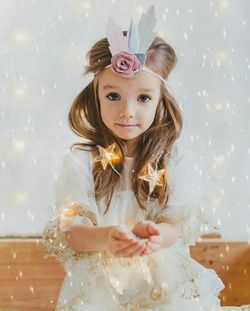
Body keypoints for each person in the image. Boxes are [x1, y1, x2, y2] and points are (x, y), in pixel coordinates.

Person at [42, 5, 225, 311]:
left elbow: (175, 226)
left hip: (162, 279)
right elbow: (73, 234)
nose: (128, 110)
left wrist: (157, 236)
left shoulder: (174, 160)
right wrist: (108, 237)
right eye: (114, 96)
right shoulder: (81, 161)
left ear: (160, 100)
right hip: (99, 283)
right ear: (96, 97)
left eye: (143, 98)